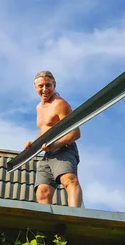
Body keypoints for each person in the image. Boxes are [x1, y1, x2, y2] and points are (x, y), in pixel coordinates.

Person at [25, 70, 83, 207]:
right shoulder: (39, 108)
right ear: (35, 88)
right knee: (42, 191)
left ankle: (74, 217)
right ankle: (47, 226)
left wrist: (56, 144)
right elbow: (45, 130)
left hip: (64, 148)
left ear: (54, 85)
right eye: (41, 86)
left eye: (48, 85)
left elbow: (75, 133)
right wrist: (33, 144)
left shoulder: (60, 104)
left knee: (68, 179)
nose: (45, 89)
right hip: (48, 152)